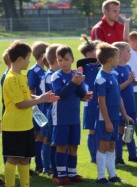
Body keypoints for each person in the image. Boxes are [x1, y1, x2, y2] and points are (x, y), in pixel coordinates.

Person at [2, 41, 58, 187]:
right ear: (20, 60)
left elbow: (26, 97)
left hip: (25, 125)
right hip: (14, 126)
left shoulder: (22, 76)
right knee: (13, 158)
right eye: (28, 58)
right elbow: (20, 104)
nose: (29, 62)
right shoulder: (11, 78)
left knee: (25, 158)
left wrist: (42, 97)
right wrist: (40, 100)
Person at [51, 45, 92, 185]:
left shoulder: (76, 74)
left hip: (74, 117)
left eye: (66, 59)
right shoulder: (55, 75)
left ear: (72, 59)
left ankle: (72, 173)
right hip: (61, 117)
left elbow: (82, 95)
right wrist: (73, 83)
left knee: (74, 146)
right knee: (62, 146)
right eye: (60, 60)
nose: (63, 63)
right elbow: (59, 95)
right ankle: (61, 175)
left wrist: (81, 86)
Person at [94, 42, 134, 184]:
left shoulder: (112, 75)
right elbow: (101, 102)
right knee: (103, 145)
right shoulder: (101, 78)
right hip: (105, 119)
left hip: (115, 117)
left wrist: (125, 115)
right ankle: (100, 177)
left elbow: (119, 98)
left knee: (112, 145)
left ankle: (112, 175)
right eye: (117, 57)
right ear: (110, 59)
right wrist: (107, 121)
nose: (118, 60)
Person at [112, 42, 137, 165]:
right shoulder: (115, 70)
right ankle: (118, 158)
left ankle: (133, 155)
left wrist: (133, 81)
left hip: (130, 104)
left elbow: (131, 83)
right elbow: (116, 88)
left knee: (130, 128)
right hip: (121, 106)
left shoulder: (128, 67)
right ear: (119, 53)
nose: (130, 54)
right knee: (120, 131)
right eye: (128, 51)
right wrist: (129, 81)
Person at [77, 35, 100, 164]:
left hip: (100, 99)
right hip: (90, 100)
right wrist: (92, 58)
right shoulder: (84, 66)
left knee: (100, 127)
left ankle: (101, 153)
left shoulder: (99, 66)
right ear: (90, 53)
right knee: (92, 128)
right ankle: (93, 156)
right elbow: (80, 62)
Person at [27, 41, 49, 174]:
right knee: (37, 135)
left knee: (41, 135)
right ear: (42, 55)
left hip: (44, 107)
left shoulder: (43, 70)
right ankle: (36, 165)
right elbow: (30, 91)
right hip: (37, 109)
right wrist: (36, 106)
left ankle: (40, 165)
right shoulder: (34, 71)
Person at [40, 44, 61, 183]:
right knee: (48, 139)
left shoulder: (53, 74)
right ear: (55, 59)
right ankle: (47, 167)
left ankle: (51, 166)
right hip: (49, 112)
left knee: (51, 139)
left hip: (54, 112)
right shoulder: (50, 76)